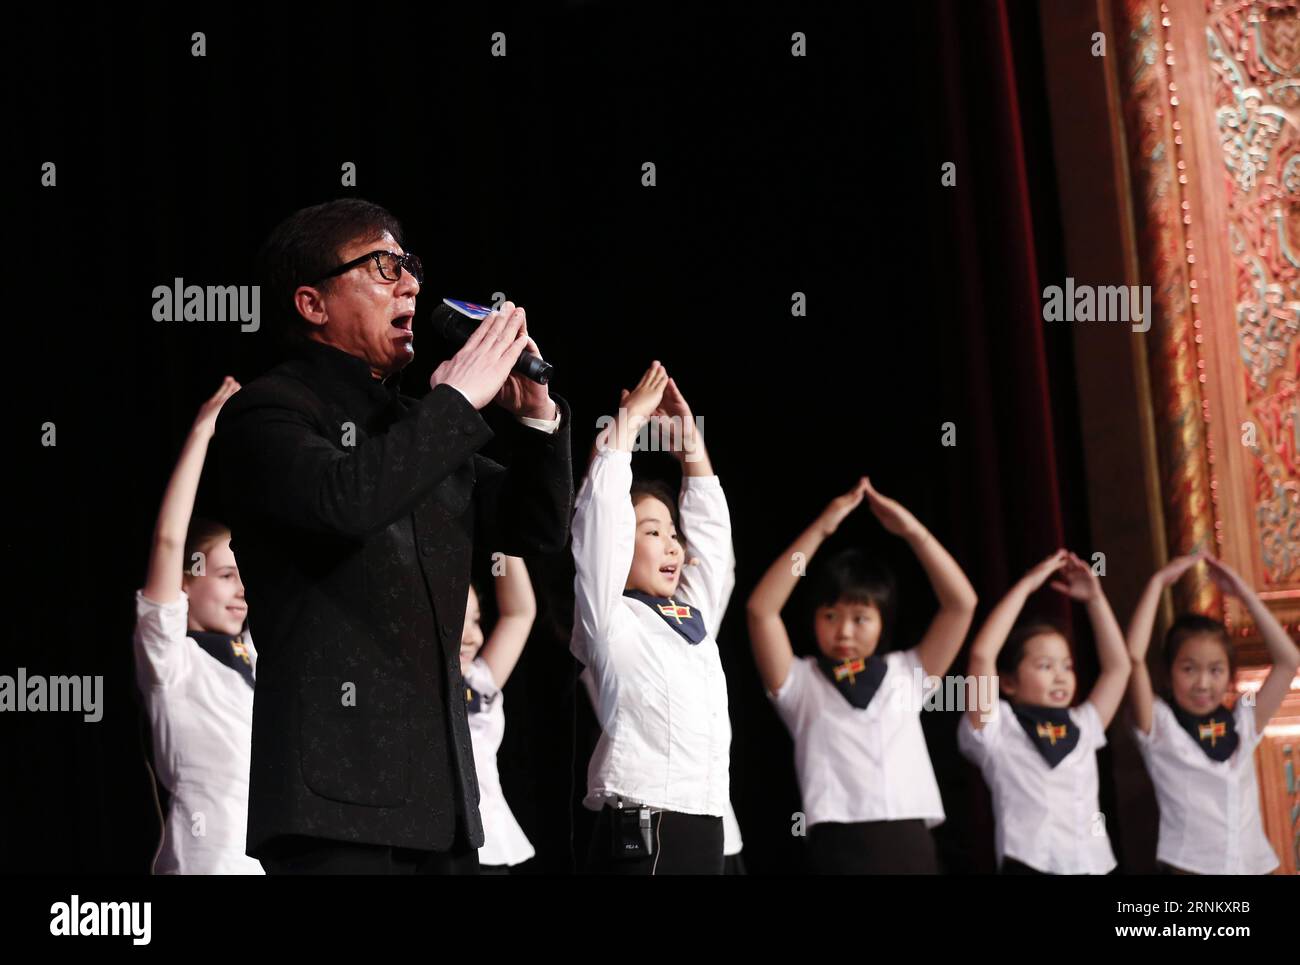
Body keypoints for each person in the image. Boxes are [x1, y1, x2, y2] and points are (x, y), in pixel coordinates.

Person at [213, 198, 574, 874]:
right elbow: (346, 501)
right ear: (312, 303)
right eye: (383, 267)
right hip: (333, 803)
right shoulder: (266, 413)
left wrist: (537, 421)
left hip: (441, 805)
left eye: (409, 266)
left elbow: (536, 527)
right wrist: (455, 404)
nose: (410, 283)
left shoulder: (425, 427)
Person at [748, 477, 977, 872]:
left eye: (860, 617)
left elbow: (961, 604)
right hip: (838, 845)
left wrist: (914, 533)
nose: (845, 631)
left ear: (882, 621)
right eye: (831, 616)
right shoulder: (801, 682)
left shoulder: (907, 673)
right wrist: (822, 527)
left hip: (908, 840)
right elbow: (761, 611)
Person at [572, 361, 733, 873]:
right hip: (646, 819)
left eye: (671, 532)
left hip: (705, 820)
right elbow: (598, 523)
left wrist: (691, 450)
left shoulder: (692, 618)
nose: (670, 544)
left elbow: (714, 549)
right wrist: (627, 424)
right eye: (650, 531)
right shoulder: (610, 618)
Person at [133, 376, 263, 874]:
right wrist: (203, 432)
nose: (242, 589)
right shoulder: (171, 658)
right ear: (186, 583)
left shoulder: (256, 654)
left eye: (243, 577)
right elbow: (169, 540)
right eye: (227, 576)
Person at [958, 550, 1130, 874]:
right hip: (1030, 865)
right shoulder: (998, 726)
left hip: (1093, 865)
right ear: (1007, 682)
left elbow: (1118, 668)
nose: (1060, 675)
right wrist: (1026, 586)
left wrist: (1095, 600)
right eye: (1044, 666)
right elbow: (982, 654)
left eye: (1067, 666)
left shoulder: (1083, 724)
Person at [1126, 553, 1297, 874]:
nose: (1202, 683)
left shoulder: (1242, 723)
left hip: (1253, 867)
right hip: (1190, 868)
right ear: (1168, 672)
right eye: (1189, 669)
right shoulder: (1160, 727)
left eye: (1216, 670)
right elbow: (1131, 660)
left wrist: (1245, 594)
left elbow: (1289, 660)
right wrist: (1156, 583)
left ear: (1230, 675)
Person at [460, 556, 537, 873]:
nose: (472, 636)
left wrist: (505, 541)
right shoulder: (402, 688)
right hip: (436, 847)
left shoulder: (479, 681)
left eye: (476, 621)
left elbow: (519, 613)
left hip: (490, 847)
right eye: (456, 622)